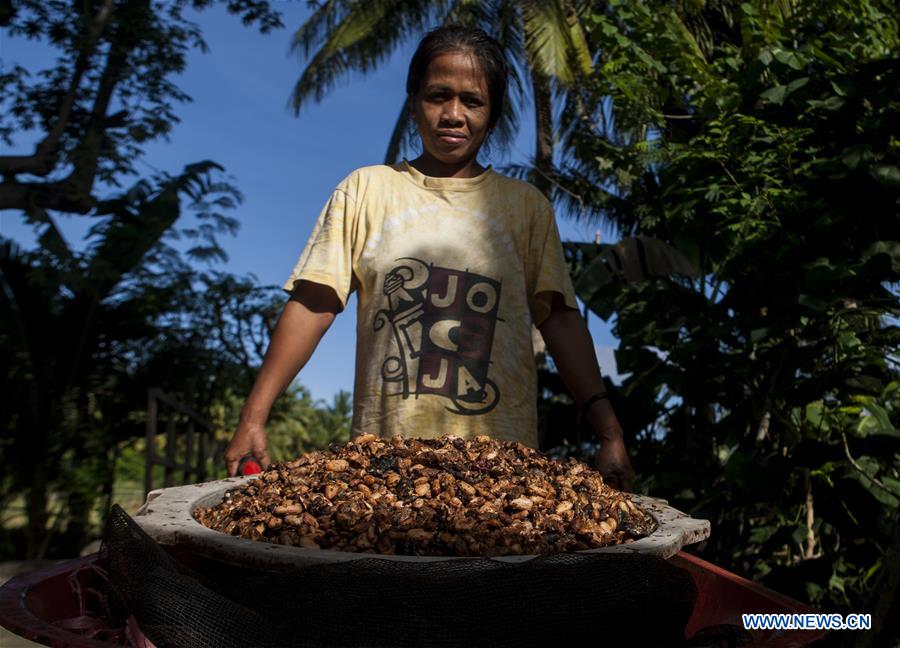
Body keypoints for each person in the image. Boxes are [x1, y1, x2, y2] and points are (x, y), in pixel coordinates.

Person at [225, 26, 635, 490]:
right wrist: (253, 416)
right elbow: (313, 304)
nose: (453, 115)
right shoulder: (366, 191)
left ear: (492, 115)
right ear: (414, 101)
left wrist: (610, 432)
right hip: (384, 470)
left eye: (472, 101)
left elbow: (559, 321)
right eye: (438, 96)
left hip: (501, 472)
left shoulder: (525, 208)